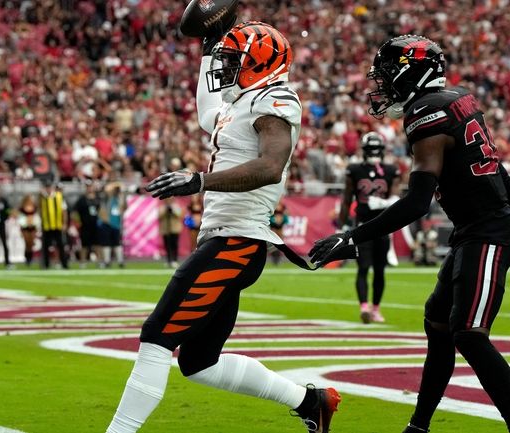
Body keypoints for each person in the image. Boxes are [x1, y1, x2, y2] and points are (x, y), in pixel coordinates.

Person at [309, 35, 510, 433]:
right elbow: (498, 172)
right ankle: (419, 427)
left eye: (390, 72)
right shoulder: (457, 99)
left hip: (490, 234)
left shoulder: (427, 114)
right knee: (439, 323)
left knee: (469, 333)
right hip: (476, 231)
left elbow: (416, 203)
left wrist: (352, 236)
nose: (384, 81)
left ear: (414, 71)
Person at [106, 21, 340, 433]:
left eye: (234, 59)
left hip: (237, 241)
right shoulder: (242, 102)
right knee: (199, 363)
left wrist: (199, 180)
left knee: (157, 335)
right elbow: (207, 111)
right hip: (229, 240)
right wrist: (209, 46)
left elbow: (270, 166)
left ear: (259, 61)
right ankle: (311, 401)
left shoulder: (276, 98)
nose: (225, 67)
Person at [338, 132, 400, 323]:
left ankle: (374, 308)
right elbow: (347, 199)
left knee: (378, 270)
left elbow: (395, 199)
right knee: (364, 268)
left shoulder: (390, 170)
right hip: (363, 227)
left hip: (381, 227)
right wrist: (342, 225)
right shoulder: (354, 170)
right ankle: (365, 307)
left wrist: (379, 203)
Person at [39, 182, 69, 269]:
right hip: (47, 225)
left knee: (60, 245)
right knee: (46, 246)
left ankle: (64, 264)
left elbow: (64, 211)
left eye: (49, 187)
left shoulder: (59, 196)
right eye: (46, 187)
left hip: (57, 225)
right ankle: (46, 264)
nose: (48, 189)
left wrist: (64, 223)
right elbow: (40, 209)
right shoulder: (43, 197)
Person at [73, 180, 101, 268]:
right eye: (88, 187)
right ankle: (83, 262)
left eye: (90, 186)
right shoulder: (81, 200)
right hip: (85, 225)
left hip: (95, 225)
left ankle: (99, 262)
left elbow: (102, 211)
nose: (89, 188)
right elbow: (74, 212)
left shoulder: (97, 199)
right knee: (84, 245)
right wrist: (78, 223)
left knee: (97, 244)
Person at [100, 182, 125, 268]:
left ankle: (120, 261)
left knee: (117, 243)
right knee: (107, 243)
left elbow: (123, 208)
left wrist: (121, 196)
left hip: (116, 224)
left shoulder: (119, 199)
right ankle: (107, 261)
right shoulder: (106, 199)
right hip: (107, 223)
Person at [158, 197, 183, 268]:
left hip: (175, 229)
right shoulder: (162, 207)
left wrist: (172, 210)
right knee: (167, 245)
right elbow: (159, 216)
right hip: (165, 229)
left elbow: (180, 215)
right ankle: (169, 260)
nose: (168, 200)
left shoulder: (176, 206)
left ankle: (174, 260)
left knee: (174, 245)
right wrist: (166, 210)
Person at [18, 194, 39, 267]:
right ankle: (27, 258)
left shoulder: (34, 207)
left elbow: (36, 217)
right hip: (25, 227)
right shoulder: (22, 208)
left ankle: (30, 258)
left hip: (32, 227)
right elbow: (20, 218)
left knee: (31, 243)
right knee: (27, 243)